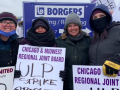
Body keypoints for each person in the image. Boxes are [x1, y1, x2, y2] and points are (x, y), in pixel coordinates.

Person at [56, 12, 92, 90]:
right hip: (65, 84)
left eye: (75, 25)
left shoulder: (88, 40)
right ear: (66, 28)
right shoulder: (59, 41)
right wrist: (58, 71)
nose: (73, 28)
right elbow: (54, 62)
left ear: (79, 27)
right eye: (70, 26)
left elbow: (93, 59)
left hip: (84, 84)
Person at [89, 4, 120, 77]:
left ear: (108, 17)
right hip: (96, 82)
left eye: (101, 16)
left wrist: (117, 59)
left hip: (115, 81)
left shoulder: (118, 30)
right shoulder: (94, 38)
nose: (98, 19)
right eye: (95, 17)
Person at [0, 12, 21, 78]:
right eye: (4, 22)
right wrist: (7, 74)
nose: (8, 25)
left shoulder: (18, 44)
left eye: (11, 22)